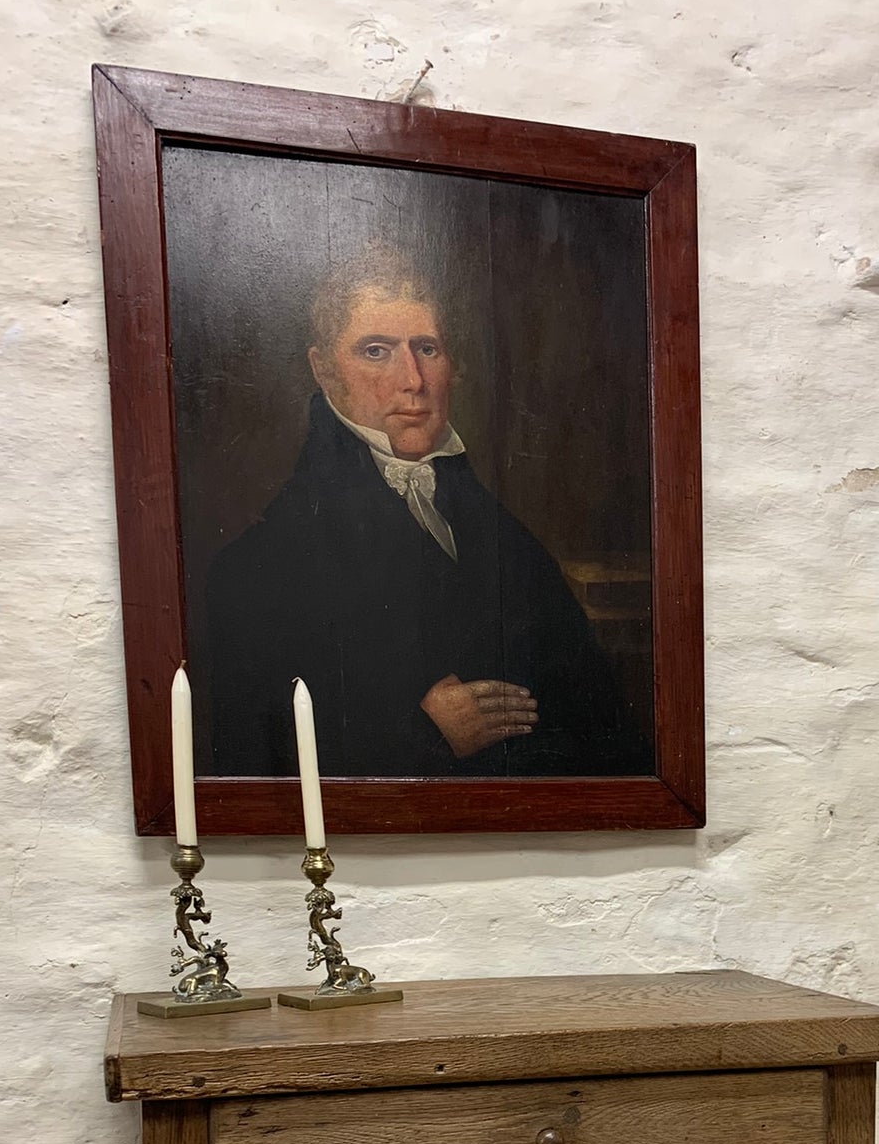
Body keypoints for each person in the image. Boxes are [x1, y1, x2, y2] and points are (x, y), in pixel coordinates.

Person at [199, 248, 650, 778]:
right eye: (376, 351)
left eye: (427, 348)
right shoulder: (255, 567)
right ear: (323, 369)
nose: (412, 379)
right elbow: (256, 756)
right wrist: (421, 733)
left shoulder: (501, 533)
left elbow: (599, 718)